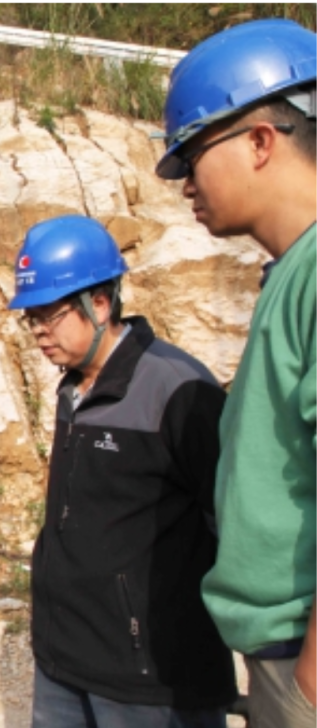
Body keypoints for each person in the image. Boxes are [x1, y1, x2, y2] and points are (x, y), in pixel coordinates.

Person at [8, 215, 237, 727]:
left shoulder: (178, 389)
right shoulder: (73, 388)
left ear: (100, 303)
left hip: (150, 678)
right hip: (63, 661)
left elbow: (233, 522)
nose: (38, 331)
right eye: (30, 318)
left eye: (49, 314)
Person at [154, 18, 317, 728]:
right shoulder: (292, 272)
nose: (185, 183)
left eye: (192, 154)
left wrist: (310, 683)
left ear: (260, 140)